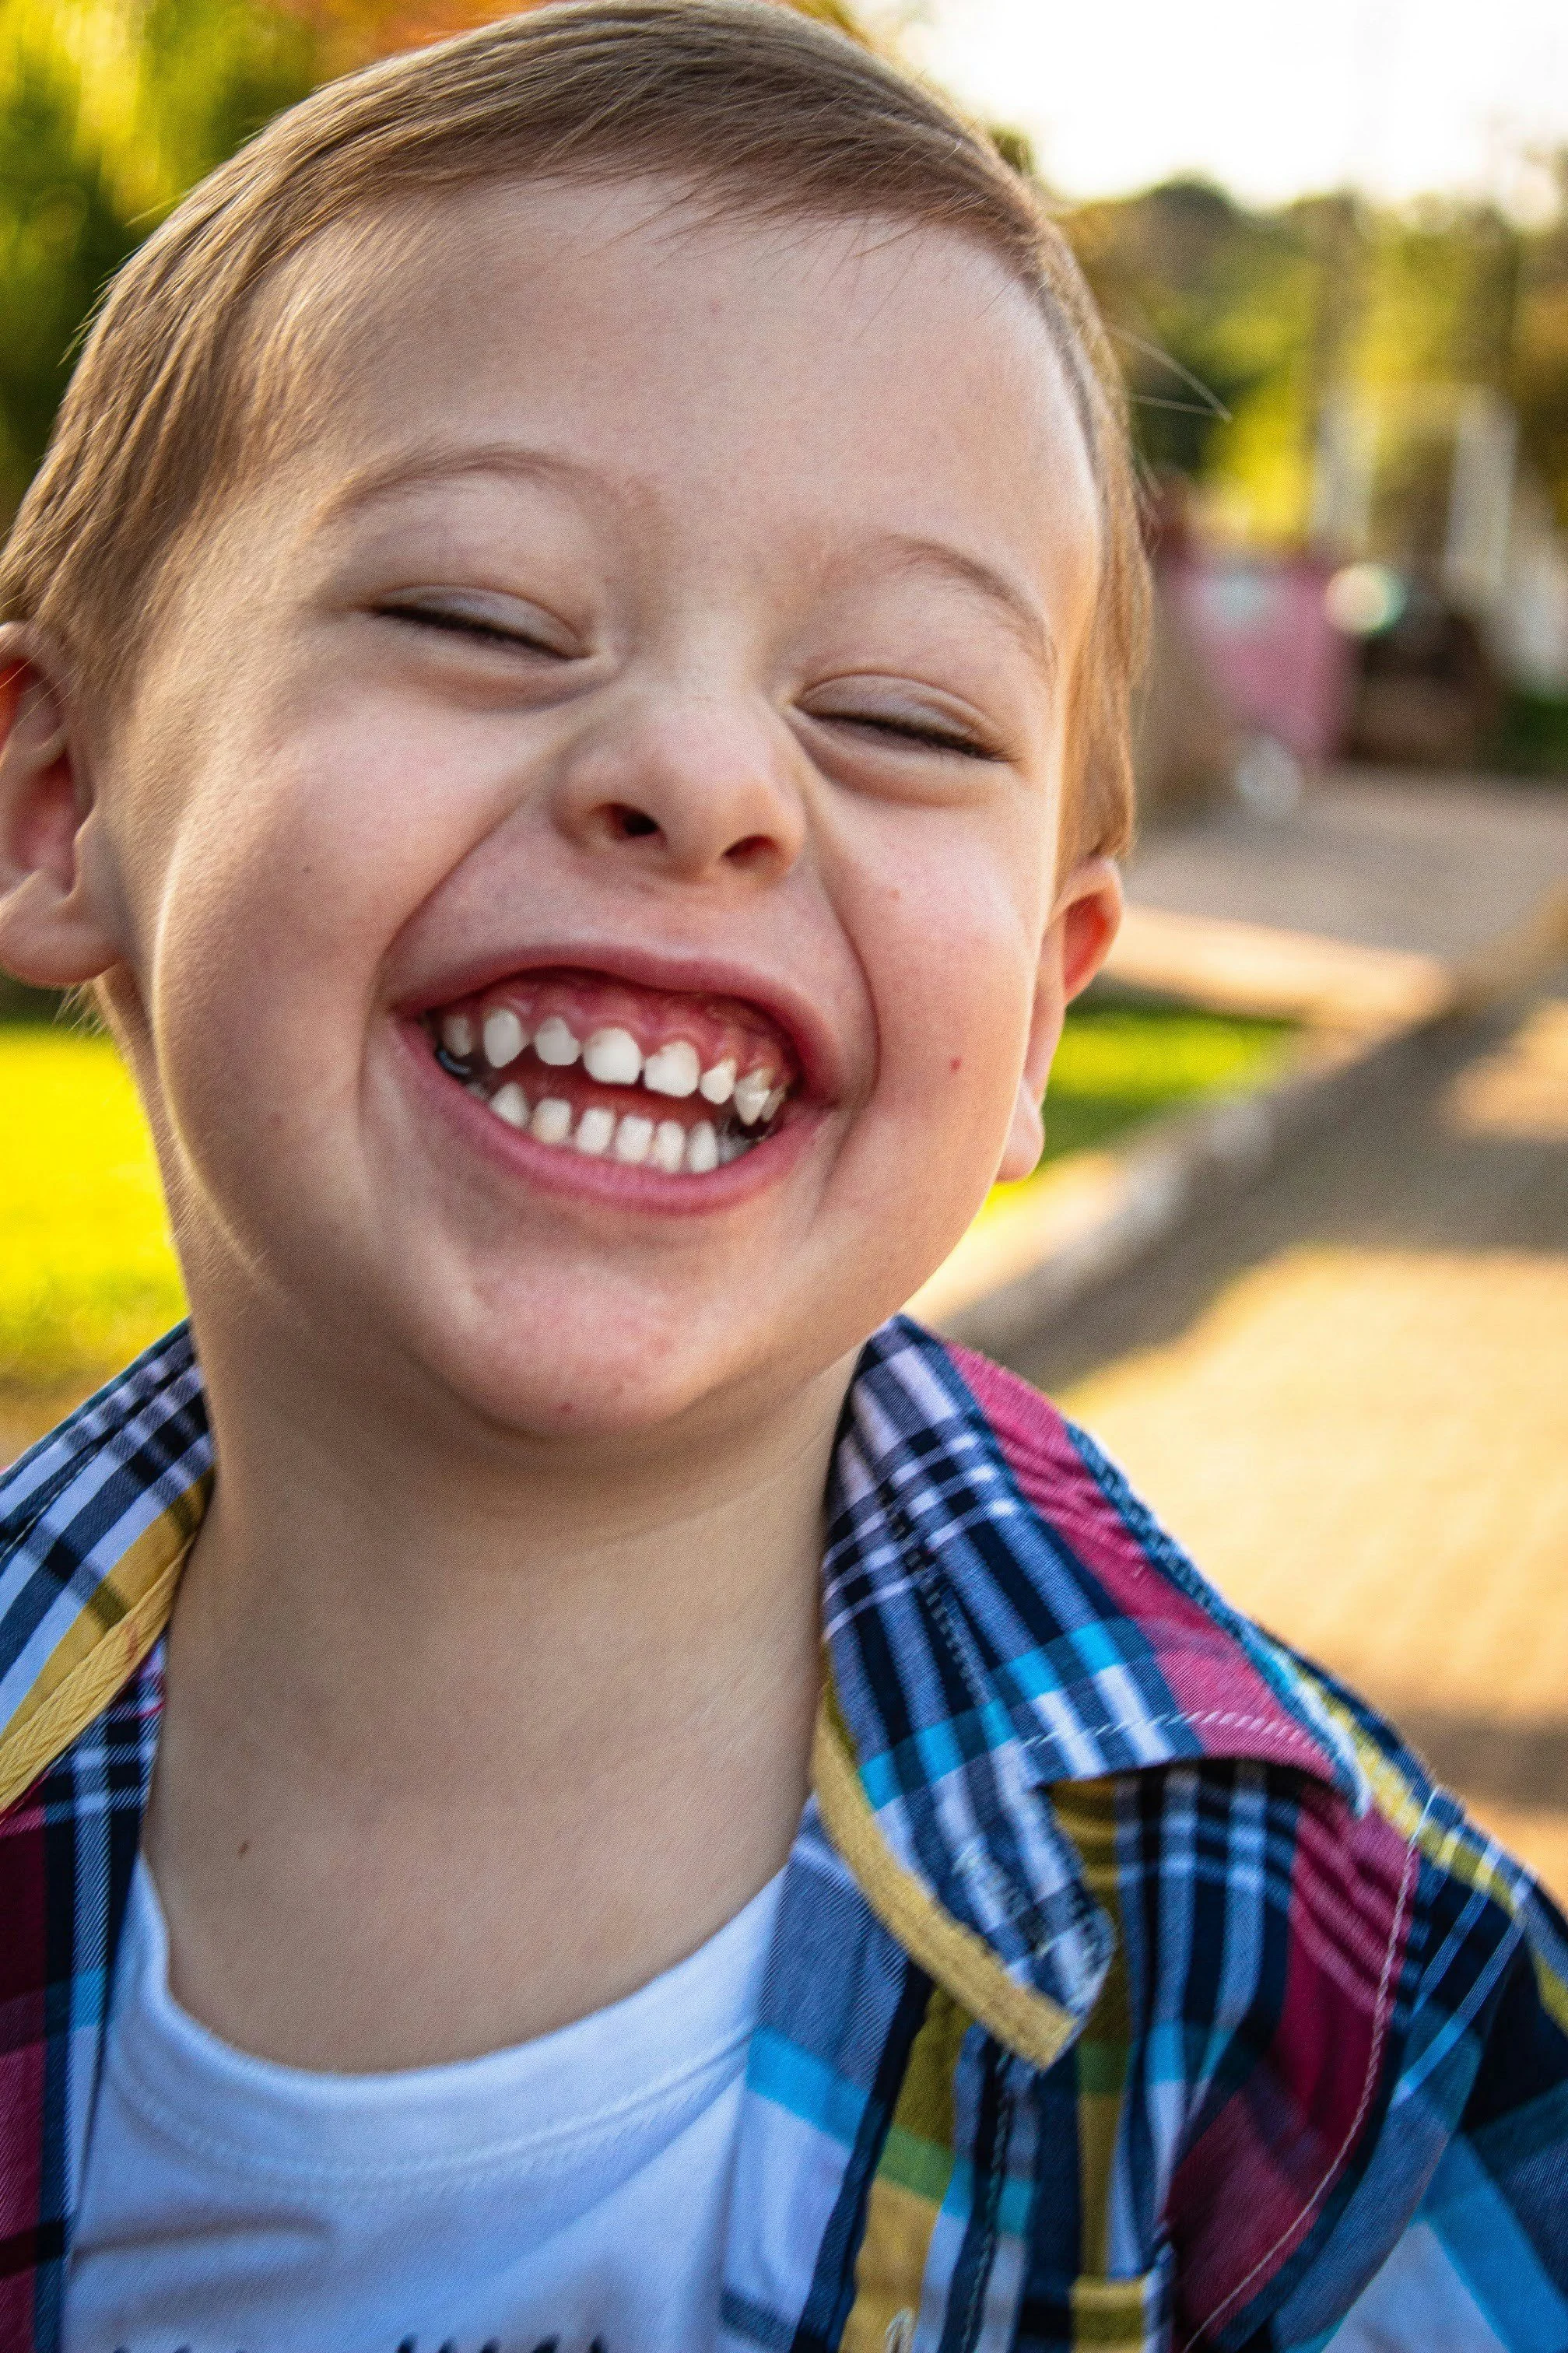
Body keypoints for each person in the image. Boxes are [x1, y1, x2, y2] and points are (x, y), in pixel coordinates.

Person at [0, 6, 1562, 2348]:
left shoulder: (1316, 2025)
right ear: (57, 810)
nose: (703, 773)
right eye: (476, 615)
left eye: (904, 716)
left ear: (1038, 1014)